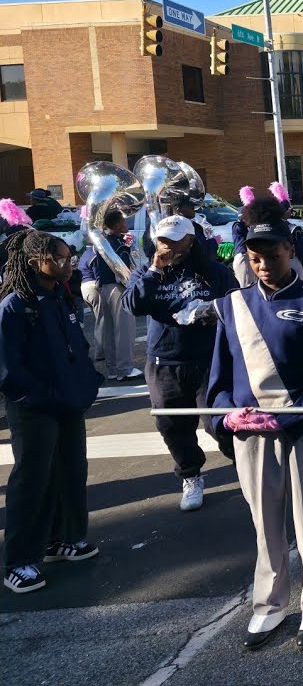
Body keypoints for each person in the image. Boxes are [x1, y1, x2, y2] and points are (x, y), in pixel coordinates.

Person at [207, 198, 303, 652]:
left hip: (299, 424)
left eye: (273, 254)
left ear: (290, 249)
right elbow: (219, 375)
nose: (264, 263)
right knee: (264, 521)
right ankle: (268, 605)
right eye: (254, 256)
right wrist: (224, 413)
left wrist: (288, 413)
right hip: (249, 430)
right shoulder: (231, 305)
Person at [1, 230, 103, 594]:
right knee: (33, 480)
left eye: (69, 257)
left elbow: (76, 346)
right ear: (35, 263)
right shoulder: (14, 306)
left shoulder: (62, 296)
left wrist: (88, 382)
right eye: (58, 258)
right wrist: (36, 395)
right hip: (34, 407)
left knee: (72, 469)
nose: (67, 263)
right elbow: (8, 369)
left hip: (68, 403)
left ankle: (63, 538)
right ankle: (20, 560)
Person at [123, 214, 236, 511]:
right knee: (172, 425)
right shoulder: (146, 271)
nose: (167, 246)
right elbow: (132, 305)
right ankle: (191, 475)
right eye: (162, 240)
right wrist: (154, 270)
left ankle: (244, 460)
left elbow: (237, 303)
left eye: (175, 240)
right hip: (164, 362)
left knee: (219, 422)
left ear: (190, 241)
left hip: (208, 358)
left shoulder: (213, 271)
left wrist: (213, 312)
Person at [79, 208, 141, 381]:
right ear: (116, 224)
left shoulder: (102, 241)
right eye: (123, 221)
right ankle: (125, 369)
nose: (126, 224)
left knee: (109, 329)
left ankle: (113, 369)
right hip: (118, 286)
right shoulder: (117, 242)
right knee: (125, 329)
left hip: (104, 286)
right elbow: (125, 269)